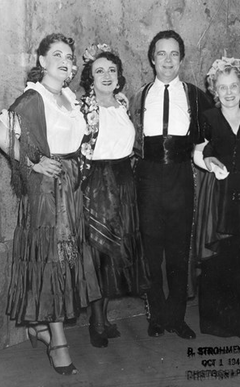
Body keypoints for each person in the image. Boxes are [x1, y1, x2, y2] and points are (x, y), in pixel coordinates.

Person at [0, 33, 101, 375]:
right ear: (41, 61)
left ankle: (43, 328)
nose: (65, 60)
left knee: (66, 261)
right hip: (45, 193)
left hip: (69, 188)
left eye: (69, 56)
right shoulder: (33, 97)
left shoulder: (69, 97)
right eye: (56, 54)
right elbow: (0, 135)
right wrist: (33, 162)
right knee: (52, 261)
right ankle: (57, 341)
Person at [129, 30, 212, 340]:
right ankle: (157, 315)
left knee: (179, 251)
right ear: (152, 58)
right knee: (151, 251)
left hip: (181, 175)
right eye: (161, 53)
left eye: (174, 54)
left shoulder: (195, 95)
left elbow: (207, 142)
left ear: (182, 59)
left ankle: (176, 317)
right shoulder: (138, 96)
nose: (167, 60)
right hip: (147, 178)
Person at [79, 45, 151, 348]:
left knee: (116, 252)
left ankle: (104, 317)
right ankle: (96, 321)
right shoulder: (83, 108)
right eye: (99, 71)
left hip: (123, 181)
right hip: (98, 182)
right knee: (100, 251)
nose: (106, 75)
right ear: (90, 78)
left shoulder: (122, 104)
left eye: (111, 70)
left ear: (119, 76)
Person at [193, 57, 240, 337]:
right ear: (214, 89)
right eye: (222, 87)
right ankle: (221, 323)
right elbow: (200, 152)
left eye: (233, 86)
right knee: (222, 256)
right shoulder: (208, 118)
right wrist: (210, 163)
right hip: (222, 191)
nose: (228, 92)